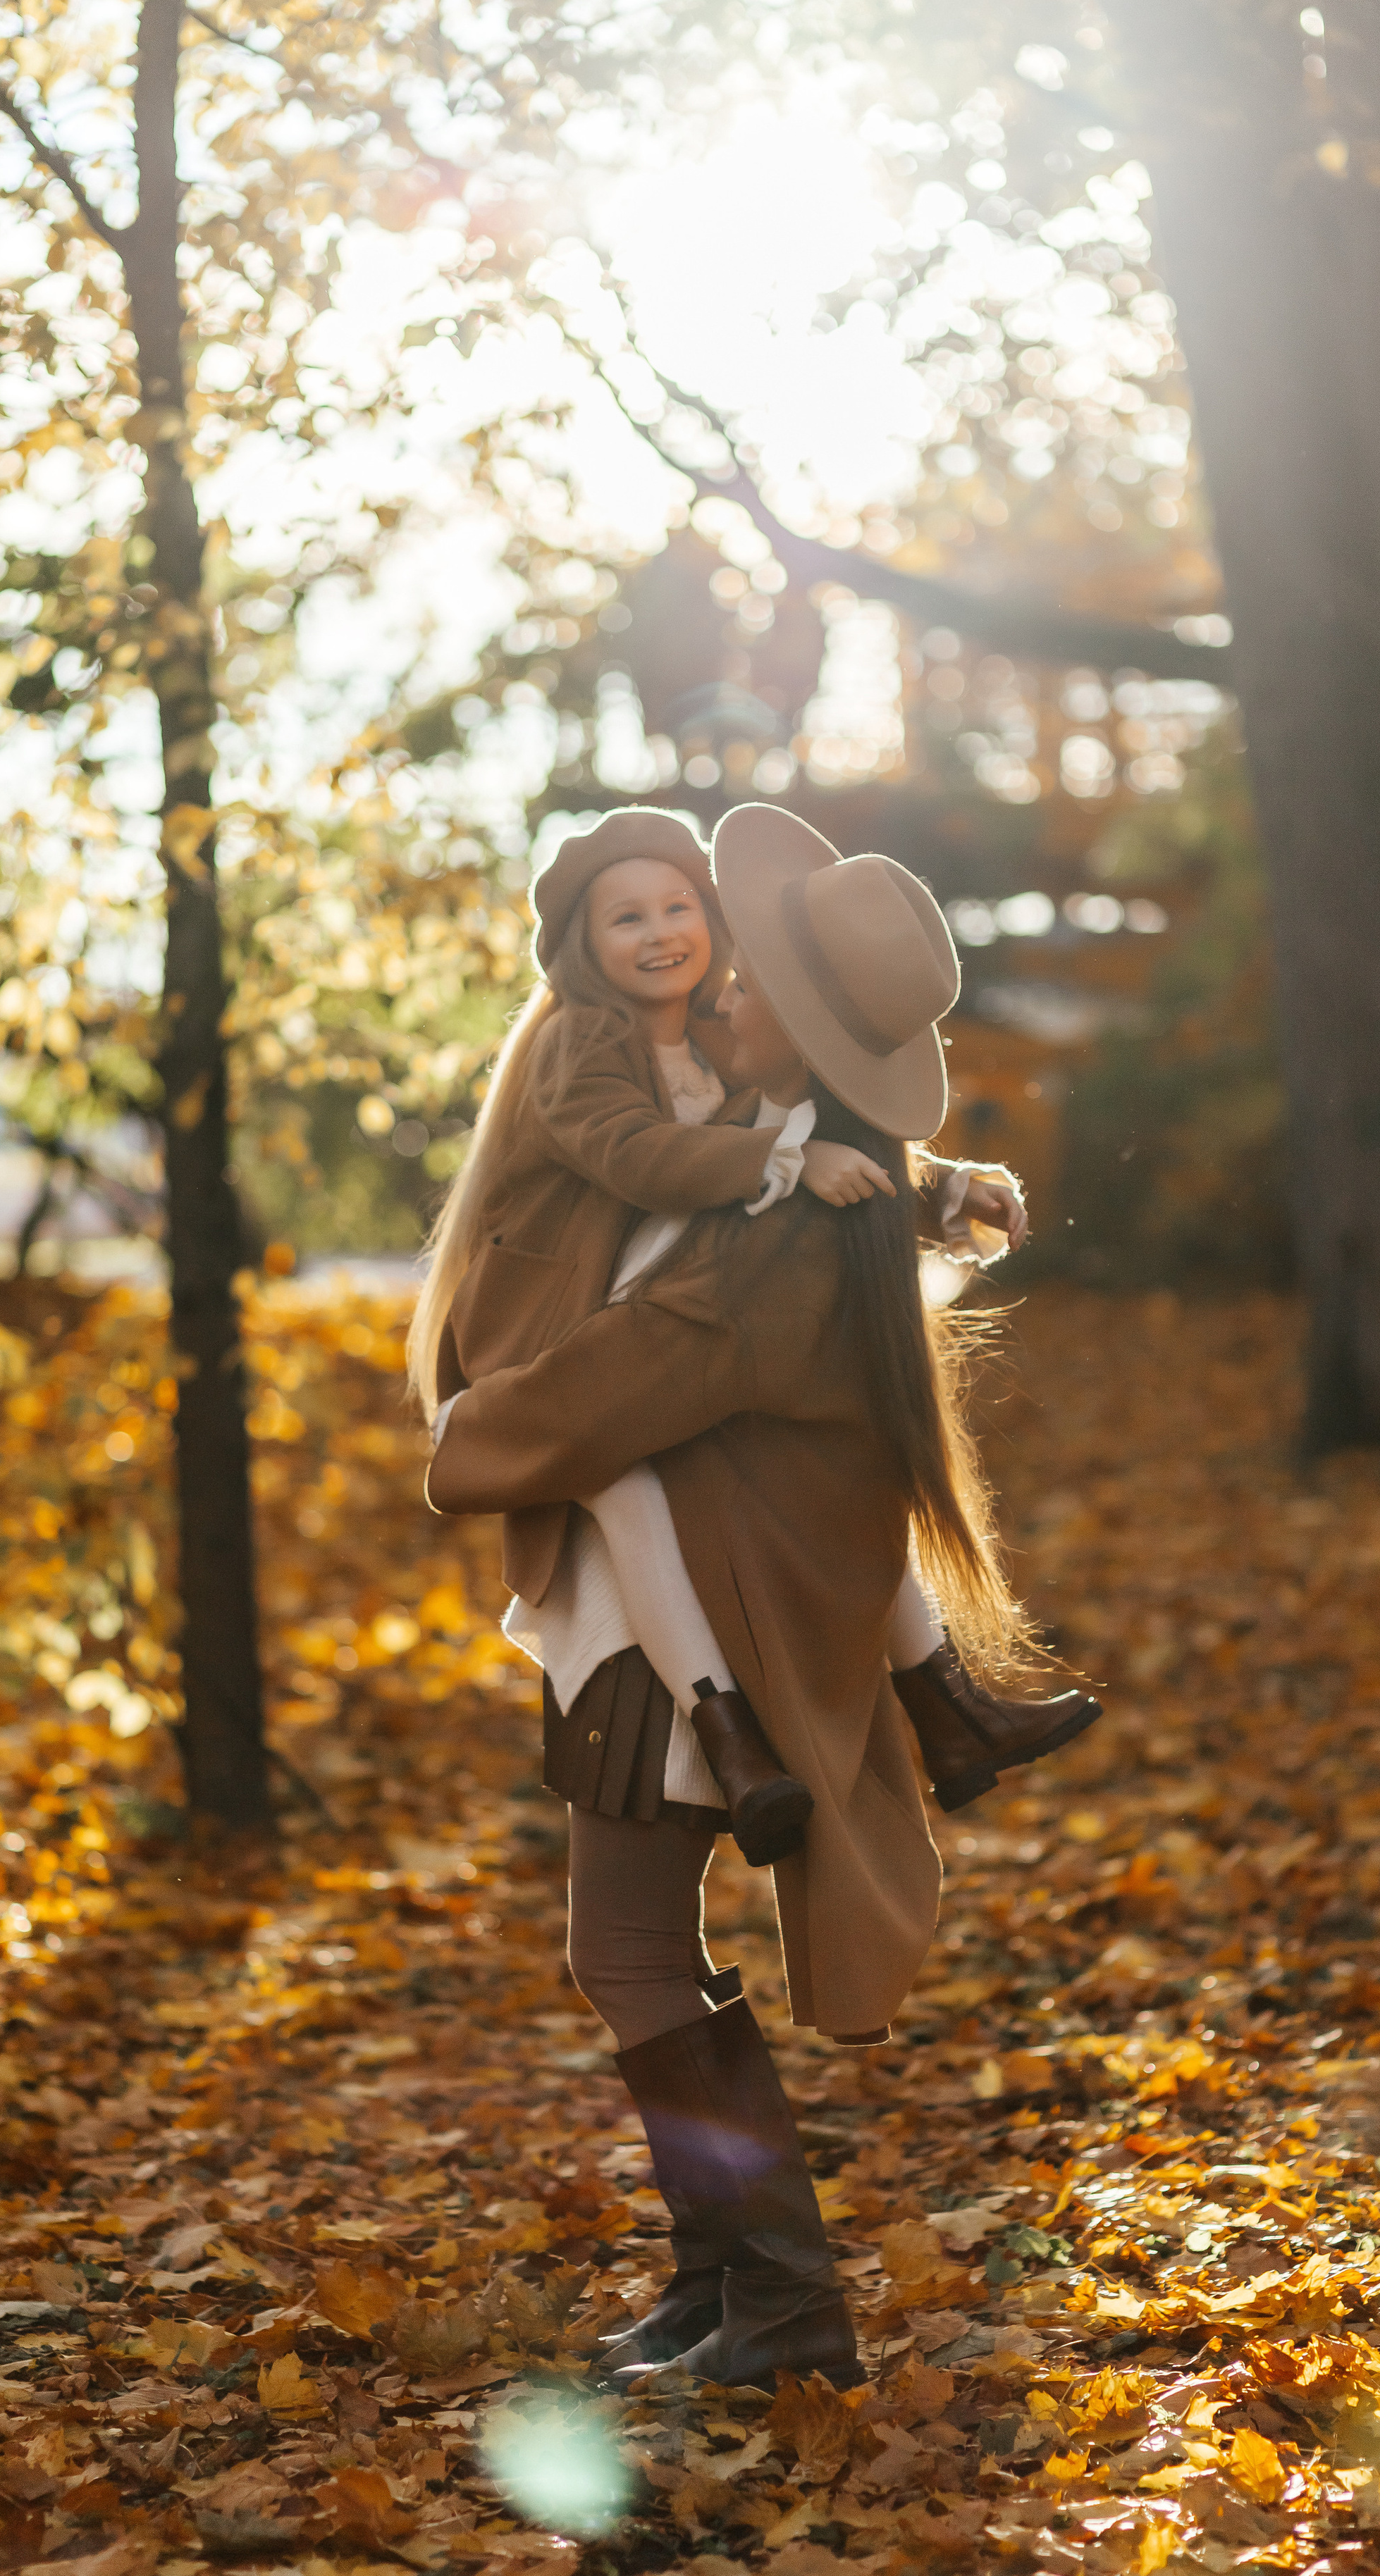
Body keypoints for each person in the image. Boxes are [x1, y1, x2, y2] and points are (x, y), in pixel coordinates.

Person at [426, 805, 1097, 2390]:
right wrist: (931, 1187)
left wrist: (471, 1436)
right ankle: (724, 2282)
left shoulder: (763, 1233)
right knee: (628, 1951)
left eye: (737, 960)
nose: (706, 961)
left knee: (629, 1952)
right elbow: (750, 1160)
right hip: (681, 1599)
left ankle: (781, 2306)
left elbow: (601, 1392)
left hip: (677, 1634)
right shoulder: (795, 1172)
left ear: (780, 1022)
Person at [409, 808, 1098, 1869]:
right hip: (545, 1337)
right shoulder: (578, 1042)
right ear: (583, 946)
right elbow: (642, 1159)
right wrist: (782, 1162)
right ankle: (724, 1732)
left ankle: (952, 1703)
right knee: (627, 1493)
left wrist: (943, 1189)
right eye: (624, 917)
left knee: (842, 1456)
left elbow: (820, 1141)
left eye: (678, 907)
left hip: (645, 1315)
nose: (658, 932)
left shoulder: (717, 1036)